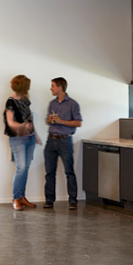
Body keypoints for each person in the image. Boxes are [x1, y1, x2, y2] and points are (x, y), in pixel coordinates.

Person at [43, 77, 83, 210]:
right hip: (51, 140)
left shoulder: (73, 104)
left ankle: (72, 200)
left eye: (53, 86)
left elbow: (78, 122)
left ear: (60, 87)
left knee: (69, 171)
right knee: (49, 172)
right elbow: (48, 121)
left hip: (65, 140)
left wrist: (61, 121)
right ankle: (49, 200)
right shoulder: (52, 104)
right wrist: (49, 120)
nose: (51, 88)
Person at [4, 75, 40, 211]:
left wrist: (35, 135)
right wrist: (22, 127)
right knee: (21, 168)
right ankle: (15, 198)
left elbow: (30, 119)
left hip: (30, 139)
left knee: (26, 168)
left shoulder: (26, 100)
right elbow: (10, 123)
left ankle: (22, 196)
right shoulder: (10, 102)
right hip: (18, 139)